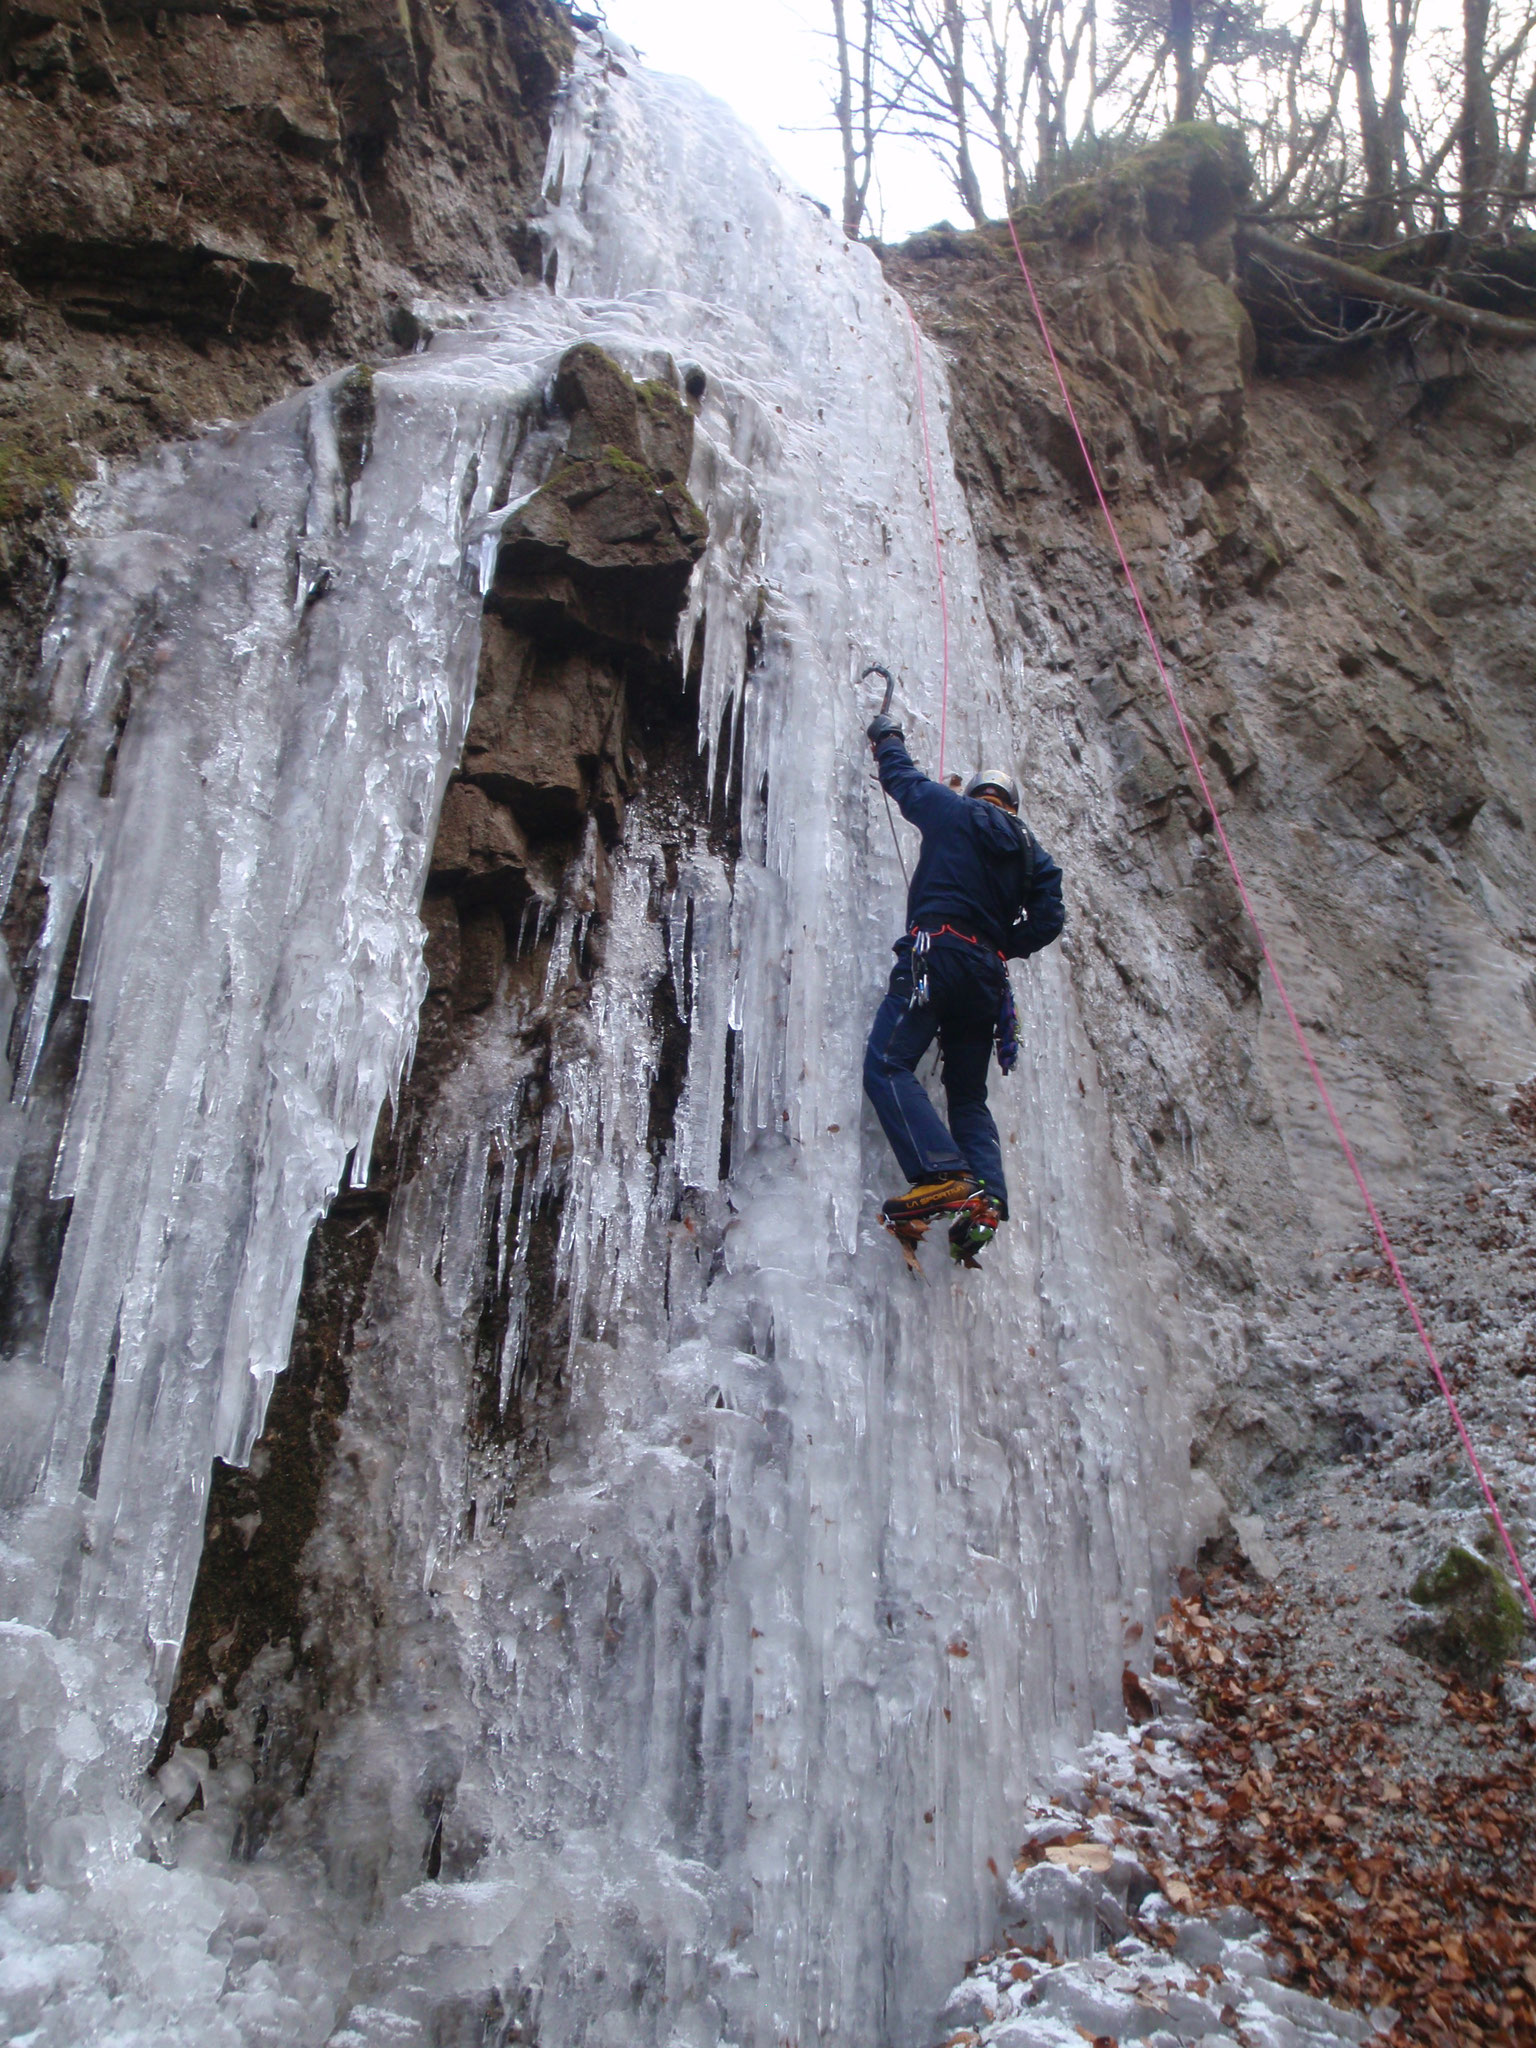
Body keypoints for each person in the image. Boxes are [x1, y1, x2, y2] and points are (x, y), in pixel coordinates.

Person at [862, 708, 1065, 1266]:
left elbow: (903, 782)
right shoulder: (1033, 856)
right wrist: (1005, 942)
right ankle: (987, 1200)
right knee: (968, 1096)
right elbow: (1050, 919)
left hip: (937, 954)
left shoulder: (955, 812)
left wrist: (887, 735)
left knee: (888, 1062)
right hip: (987, 978)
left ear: (979, 795)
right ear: (1014, 807)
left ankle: (941, 1173)